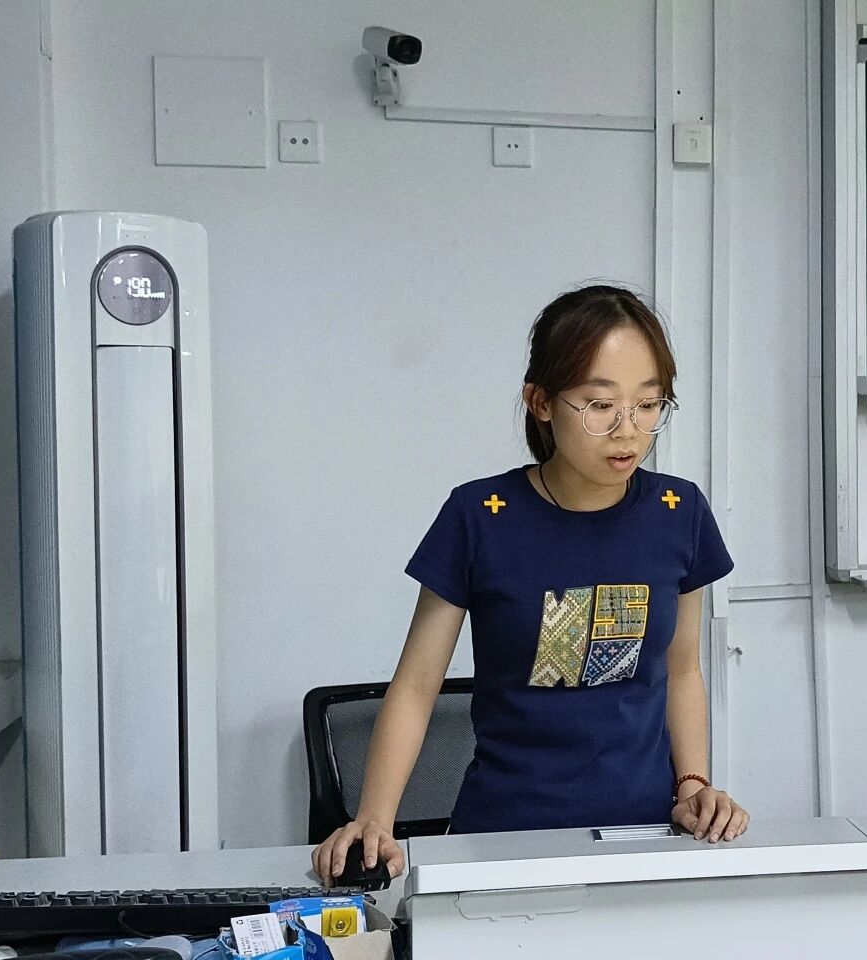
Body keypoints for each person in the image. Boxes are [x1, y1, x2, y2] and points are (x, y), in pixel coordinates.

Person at [313, 284, 748, 884]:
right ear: (540, 401)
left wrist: (693, 784)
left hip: (644, 836)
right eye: (600, 405)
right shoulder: (480, 517)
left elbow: (682, 671)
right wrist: (374, 819)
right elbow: (416, 687)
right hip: (503, 838)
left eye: (649, 405)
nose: (628, 431)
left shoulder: (679, 513)